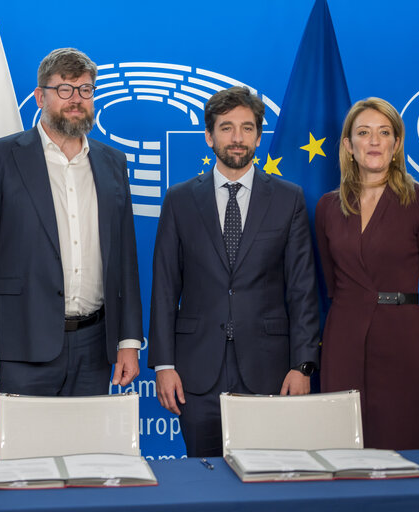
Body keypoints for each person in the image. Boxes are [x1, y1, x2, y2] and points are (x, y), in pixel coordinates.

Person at [0, 48, 143, 396]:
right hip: (20, 345)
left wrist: (129, 340)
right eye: (64, 89)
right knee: (27, 451)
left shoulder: (112, 163)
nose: (76, 99)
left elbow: (126, 260)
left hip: (95, 346)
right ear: (40, 96)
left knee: (86, 451)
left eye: (85, 89)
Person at [148, 86, 321, 457]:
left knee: (266, 483)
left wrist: (302, 366)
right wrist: (164, 364)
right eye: (226, 128)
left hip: (270, 370)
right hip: (195, 374)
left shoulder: (289, 199)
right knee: (204, 482)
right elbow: (164, 287)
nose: (237, 138)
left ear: (259, 136)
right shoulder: (179, 200)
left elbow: (302, 289)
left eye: (246, 128)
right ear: (209, 136)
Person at [315, 98, 419, 450]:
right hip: (342, 339)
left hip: (401, 341)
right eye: (363, 133)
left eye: (383, 132)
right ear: (348, 145)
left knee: (398, 452)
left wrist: (416, 338)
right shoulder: (327, 206)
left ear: (396, 144)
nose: (373, 141)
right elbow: (330, 280)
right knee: (340, 453)